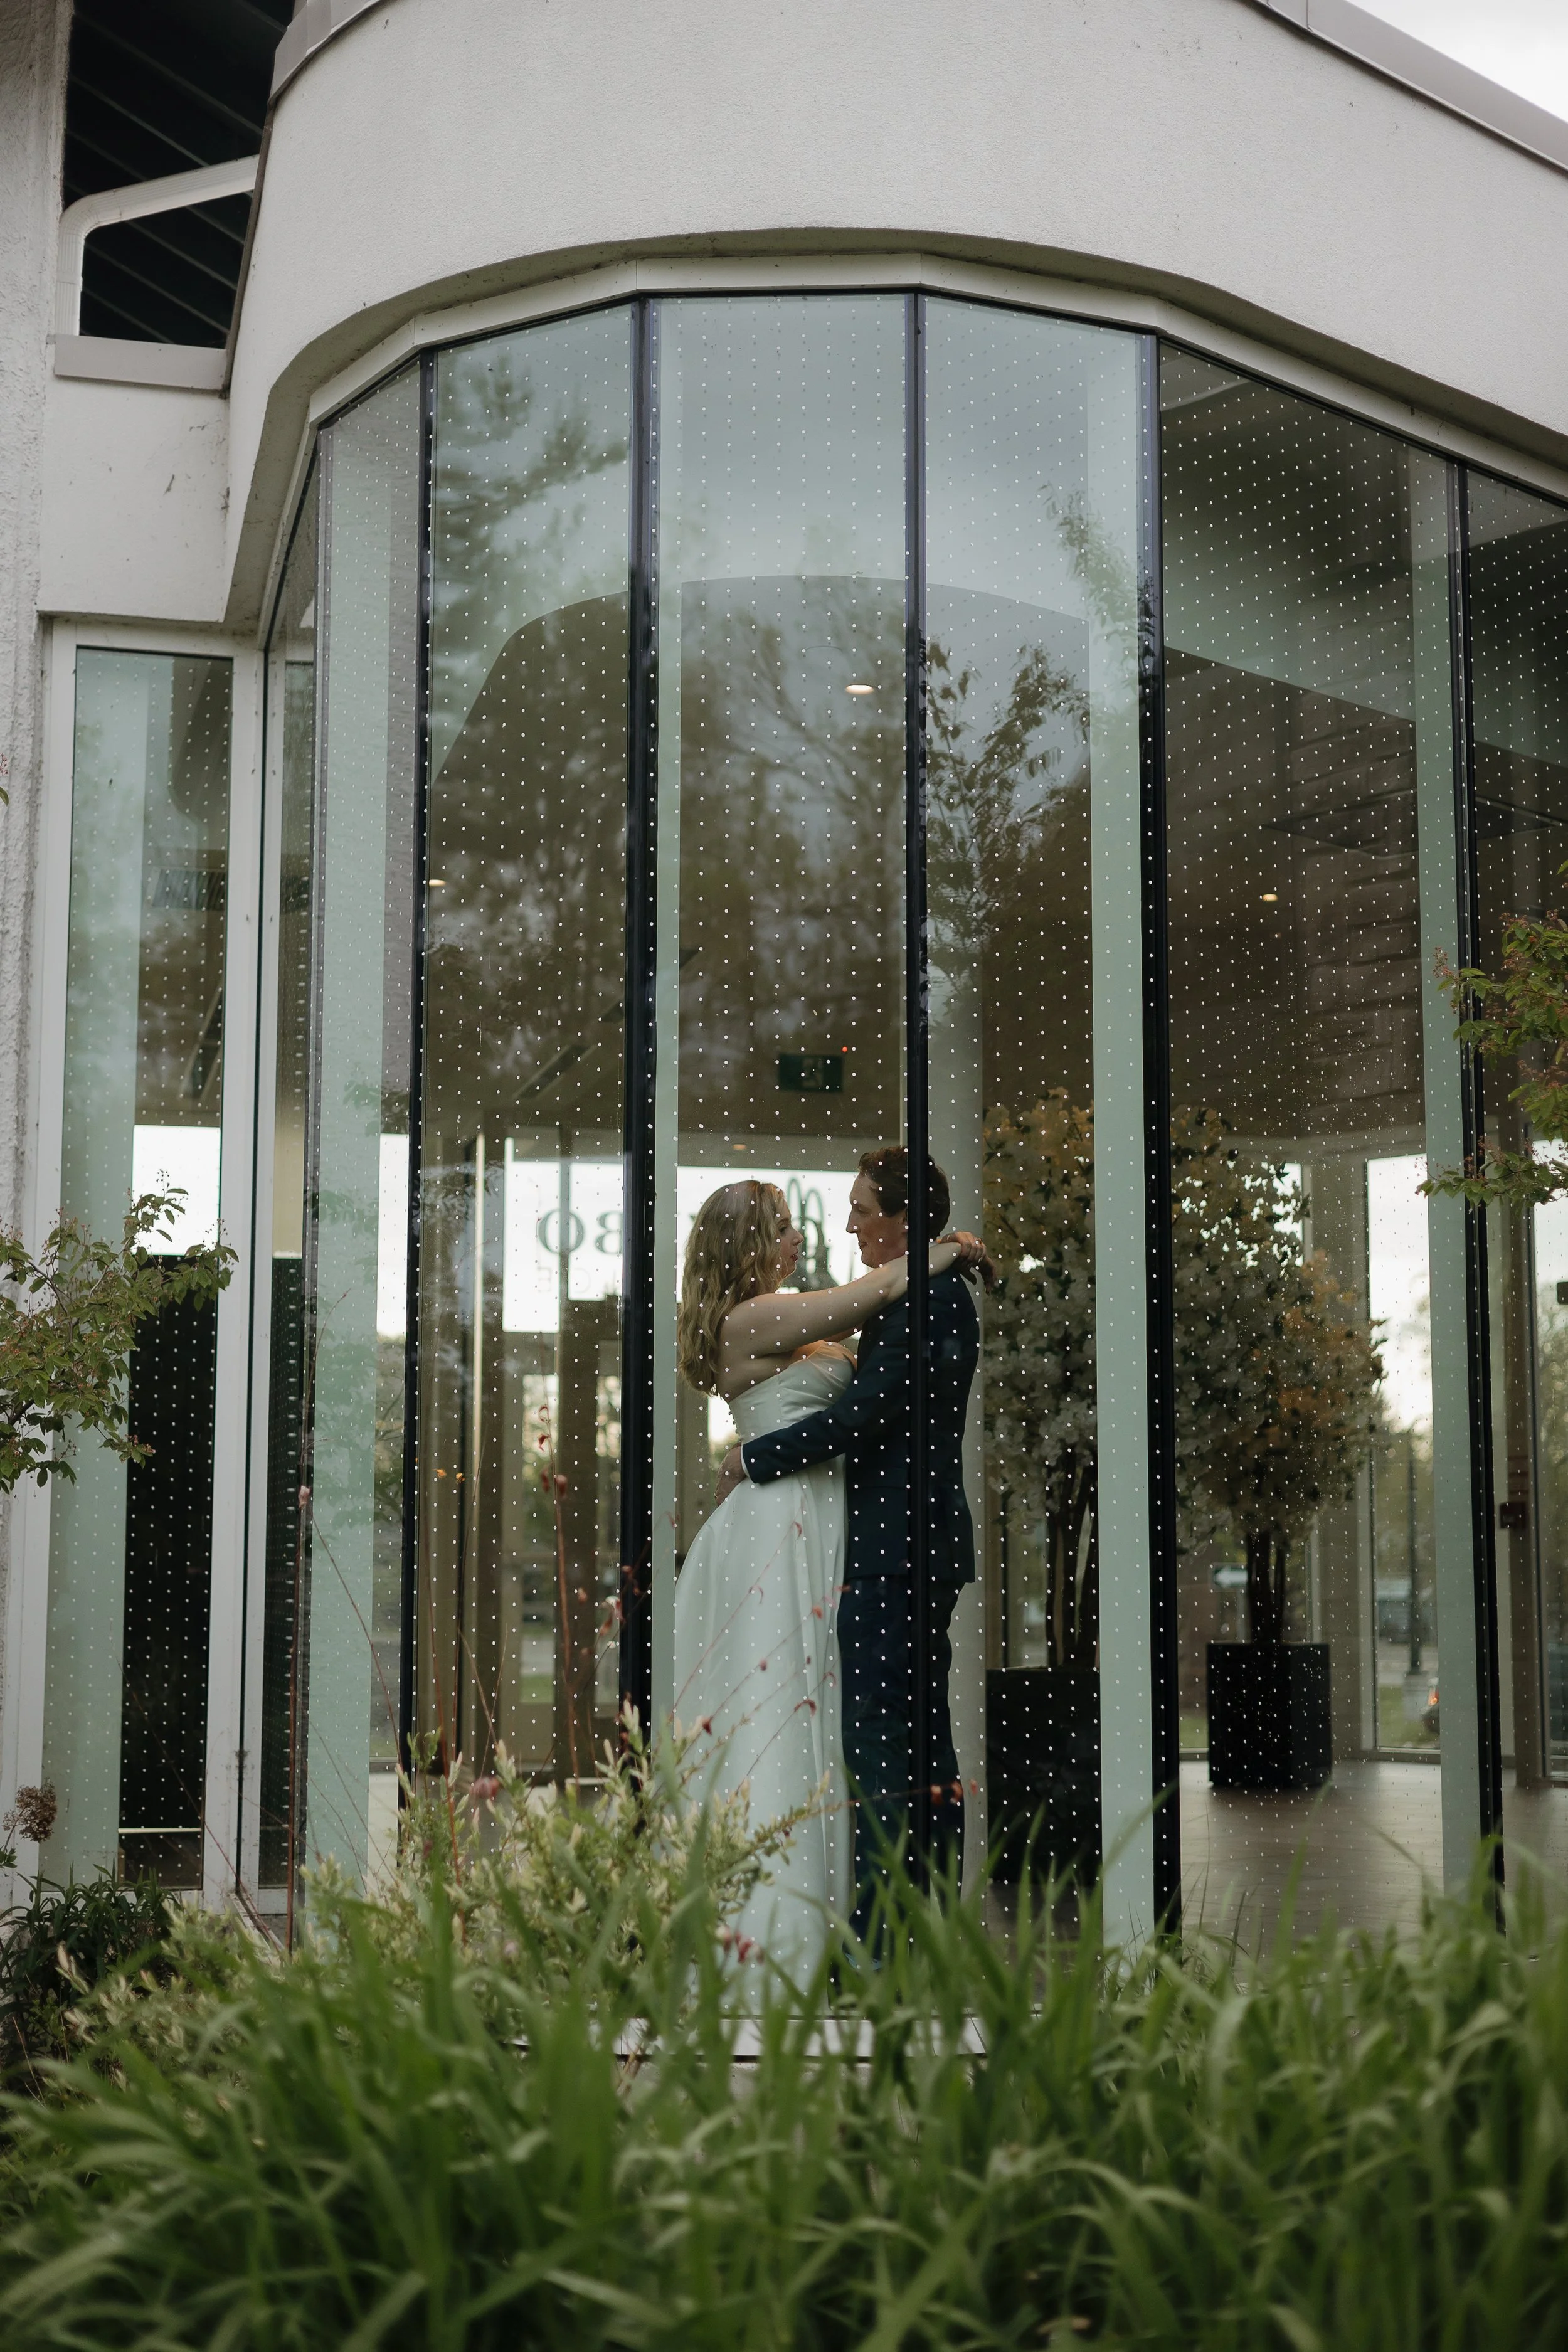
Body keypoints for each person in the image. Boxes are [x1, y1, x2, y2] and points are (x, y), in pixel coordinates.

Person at [672, 1177, 983, 1981]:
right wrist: (944, 1250)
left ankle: (854, 1930)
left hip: (821, 1527)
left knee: (827, 1721)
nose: (801, 1238)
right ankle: (781, 1938)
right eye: (780, 1228)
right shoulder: (754, 1317)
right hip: (777, 1530)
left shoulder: (785, 1317)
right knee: (782, 1716)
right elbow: (875, 1291)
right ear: (743, 1244)